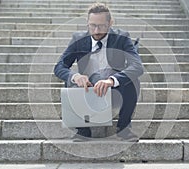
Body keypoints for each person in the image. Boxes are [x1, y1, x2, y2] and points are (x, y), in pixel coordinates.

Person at [54, 3, 144, 142]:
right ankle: (82, 131)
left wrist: (112, 80)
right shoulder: (78, 39)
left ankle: (124, 129)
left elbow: (137, 66)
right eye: (92, 25)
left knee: (133, 81)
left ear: (110, 23)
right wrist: (75, 76)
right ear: (87, 23)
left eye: (101, 26)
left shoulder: (122, 37)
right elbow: (59, 66)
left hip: (114, 90)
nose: (96, 31)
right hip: (87, 90)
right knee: (69, 80)